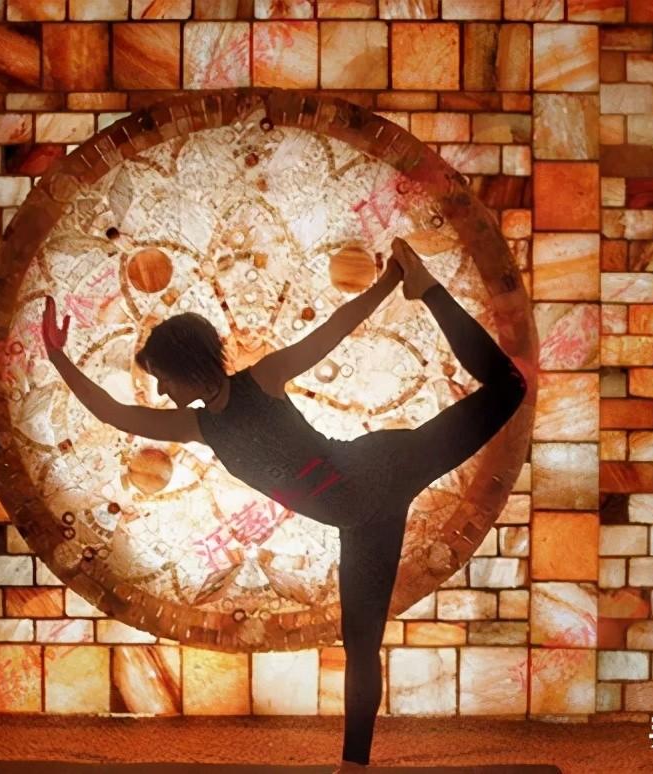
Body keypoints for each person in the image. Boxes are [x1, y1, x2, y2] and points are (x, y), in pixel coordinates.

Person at [41, 238, 527, 772]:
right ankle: (354, 767)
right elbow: (113, 413)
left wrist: (392, 281)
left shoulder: (263, 379)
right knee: (361, 644)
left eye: (161, 375)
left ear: (185, 366)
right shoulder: (201, 427)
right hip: (363, 524)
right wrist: (59, 358)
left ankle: (426, 287)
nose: (159, 389)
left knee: (508, 387)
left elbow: (335, 330)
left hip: (385, 468)